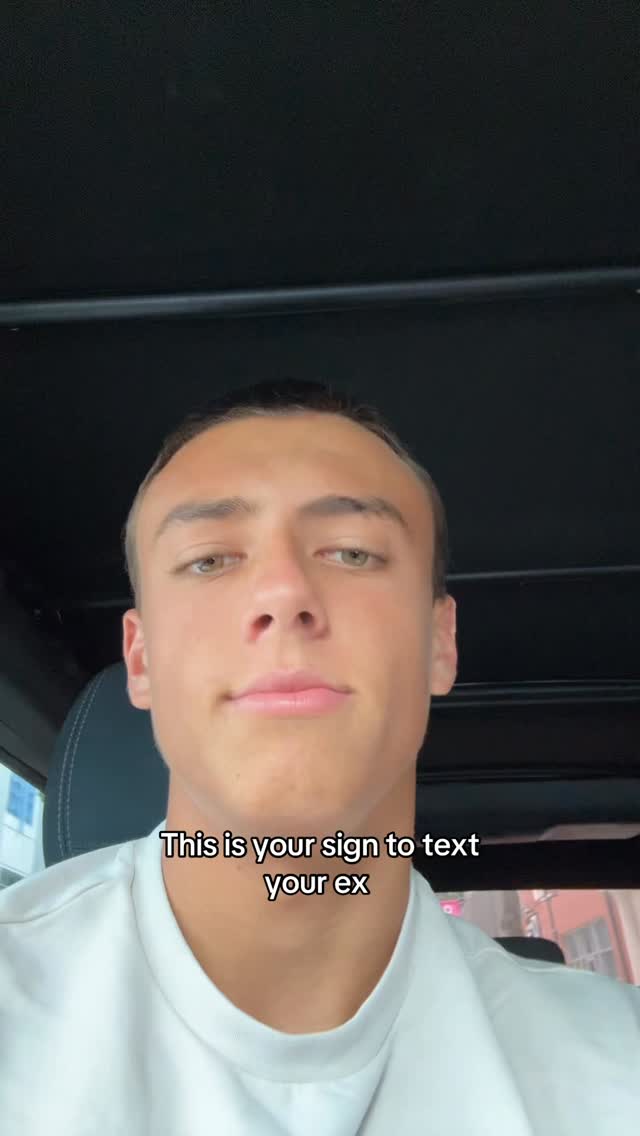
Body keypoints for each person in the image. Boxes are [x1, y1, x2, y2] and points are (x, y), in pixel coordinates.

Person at [1, 378, 638, 1134]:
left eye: (352, 552)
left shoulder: (617, 1068)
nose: (283, 591)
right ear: (141, 660)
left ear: (441, 642)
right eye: (209, 559)